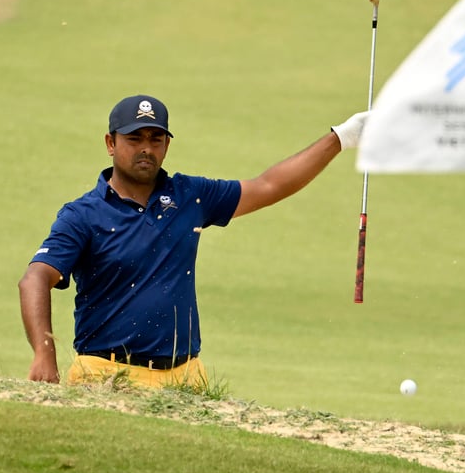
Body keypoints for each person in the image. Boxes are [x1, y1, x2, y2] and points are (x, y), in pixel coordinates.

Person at [19, 94, 369, 386]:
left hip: (184, 378)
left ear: (167, 145)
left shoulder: (190, 195)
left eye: (155, 139)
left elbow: (269, 186)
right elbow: (35, 278)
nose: (146, 149)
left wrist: (340, 138)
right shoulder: (83, 214)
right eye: (134, 139)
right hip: (104, 375)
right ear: (111, 143)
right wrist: (44, 351)